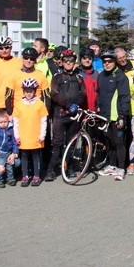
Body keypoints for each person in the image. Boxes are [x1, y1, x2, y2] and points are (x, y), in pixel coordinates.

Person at [45, 50, 86, 181]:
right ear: (62, 62)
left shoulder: (79, 78)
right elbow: (54, 94)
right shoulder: (57, 77)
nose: (68, 63)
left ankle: (67, 167)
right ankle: (50, 170)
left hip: (74, 116)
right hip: (60, 114)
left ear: (74, 63)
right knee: (56, 143)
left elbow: (83, 94)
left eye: (71, 61)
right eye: (66, 61)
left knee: (71, 143)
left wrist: (77, 105)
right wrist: (69, 105)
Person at [96, 50, 131, 181]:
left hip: (117, 116)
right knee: (109, 142)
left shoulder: (121, 77)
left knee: (119, 142)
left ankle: (121, 168)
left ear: (115, 62)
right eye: (104, 62)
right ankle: (112, 165)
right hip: (105, 116)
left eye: (110, 61)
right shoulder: (101, 76)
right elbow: (99, 94)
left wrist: (122, 116)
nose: (107, 64)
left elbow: (124, 97)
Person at [13, 78, 48, 187]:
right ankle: (25, 176)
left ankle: (36, 176)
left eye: (31, 91)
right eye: (27, 91)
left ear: (35, 91)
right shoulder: (19, 104)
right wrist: (17, 136)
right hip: (23, 136)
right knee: (24, 156)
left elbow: (43, 121)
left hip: (35, 136)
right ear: (23, 91)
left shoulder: (40, 104)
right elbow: (16, 121)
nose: (29, 93)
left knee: (36, 156)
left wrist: (42, 135)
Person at [5, 47, 50, 116]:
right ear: (22, 58)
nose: (28, 60)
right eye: (26, 58)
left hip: (36, 113)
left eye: (32, 59)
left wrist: (46, 114)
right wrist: (9, 113)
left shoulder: (41, 75)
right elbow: (8, 95)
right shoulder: (14, 74)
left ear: (35, 60)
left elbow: (46, 96)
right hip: (18, 112)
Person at [0, 109, 19, 187]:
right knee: (0, 167)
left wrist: (15, 152)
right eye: (0, 122)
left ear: (8, 121)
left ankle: (10, 179)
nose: (3, 124)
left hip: (8, 152)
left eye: (5, 122)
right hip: (0, 152)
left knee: (10, 167)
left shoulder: (11, 129)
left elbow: (14, 142)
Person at [78, 47, 99, 111]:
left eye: (89, 58)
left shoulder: (96, 74)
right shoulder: (76, 73)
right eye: (84, 58)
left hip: (94, 110)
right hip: (81, 110)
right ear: (80, 59)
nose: (87, 60)